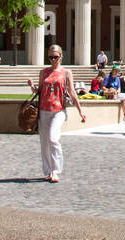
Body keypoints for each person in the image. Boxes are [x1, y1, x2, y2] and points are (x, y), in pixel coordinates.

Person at [26, 44, 85, 183]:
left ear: (61, 57)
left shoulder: (66, 72)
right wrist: (32, 87)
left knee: (53, 139)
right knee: (44, 142)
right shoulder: (43, 72)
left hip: (58, 110)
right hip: (43, 110)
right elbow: (39, 91)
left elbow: (72, 92)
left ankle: (56, 170)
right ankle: (48, 171)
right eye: (50, 57)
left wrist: (80, 111)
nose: (53, 60)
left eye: (55, 57)